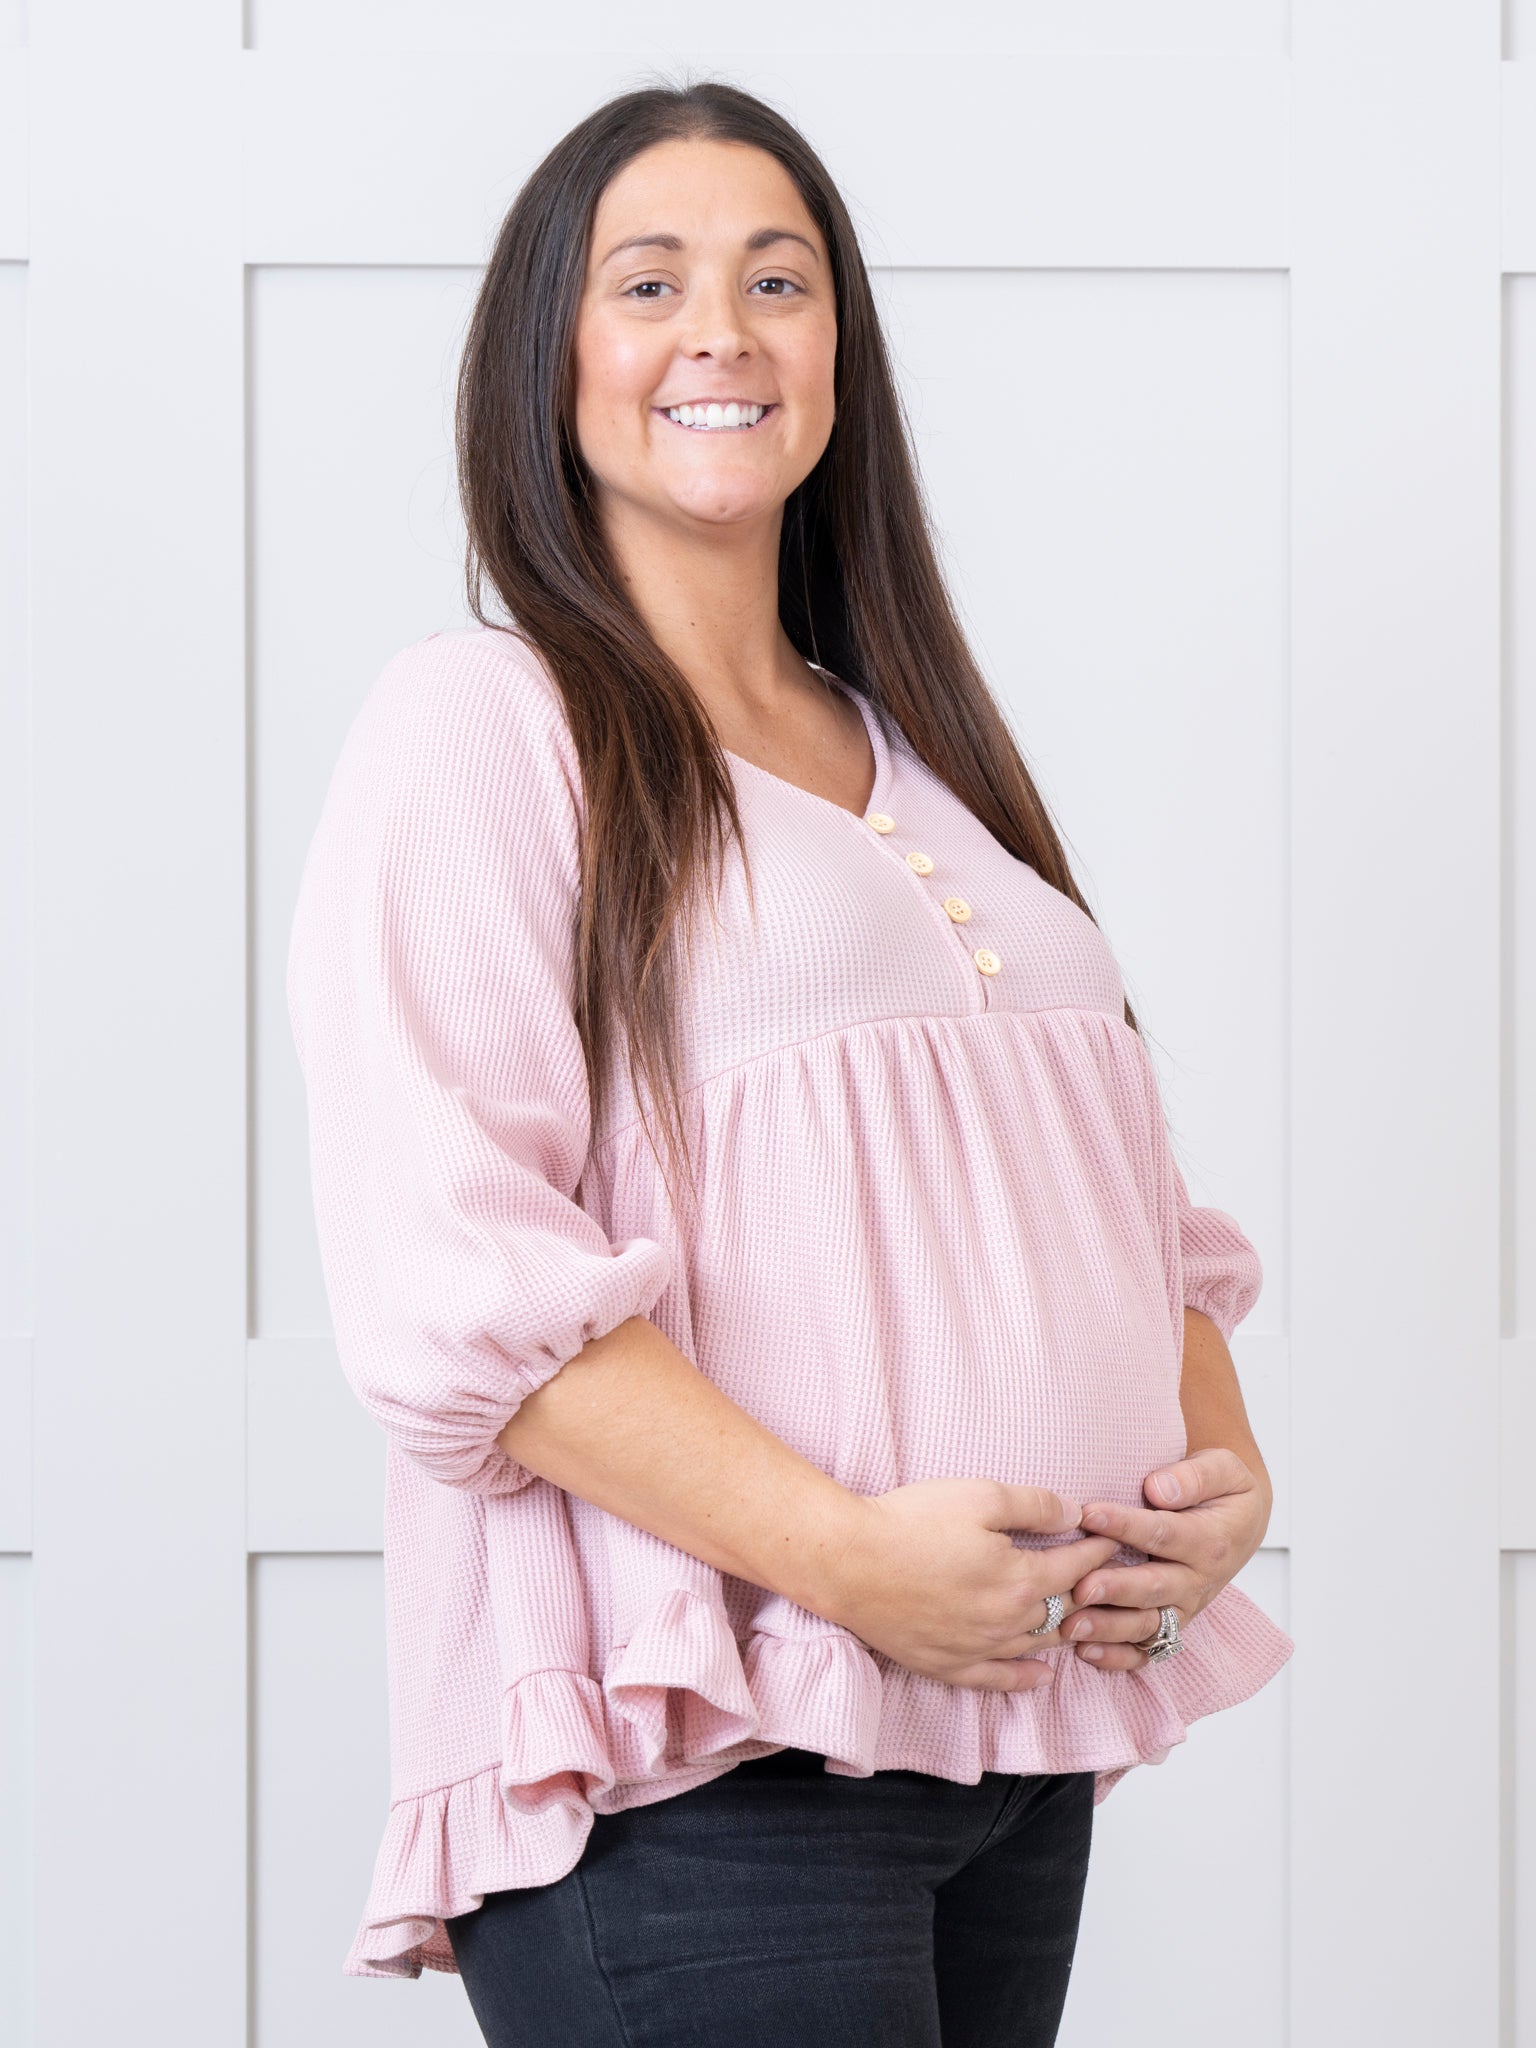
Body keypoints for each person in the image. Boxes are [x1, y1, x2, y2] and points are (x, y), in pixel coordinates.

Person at [286, 78, 1293, 2047]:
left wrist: (1220, 1482)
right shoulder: (485, 722)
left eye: (778, 281)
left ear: (841, 347)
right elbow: (454, 1276)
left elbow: (1129, 1213)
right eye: (648, 282)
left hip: (1007, 1741)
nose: (723, 335)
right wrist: (846, 1559)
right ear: (548, 354)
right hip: (703, 1768)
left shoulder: (918, 746)